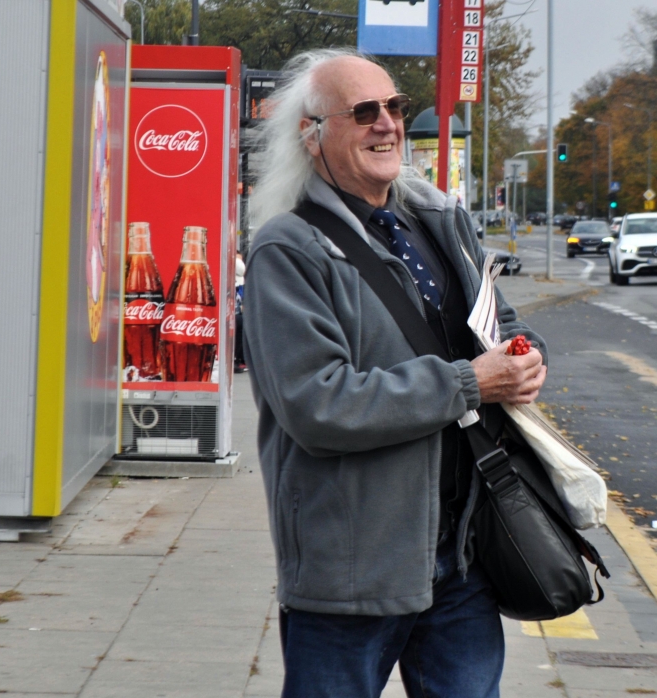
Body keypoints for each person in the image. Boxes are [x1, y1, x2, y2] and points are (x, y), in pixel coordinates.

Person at [242, 48, 548, 698]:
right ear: (312, 135)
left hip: (462, 557)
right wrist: (471, 383)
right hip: (353, 570)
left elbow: (501, 324)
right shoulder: (288, 248)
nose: (387, 123)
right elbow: (318, 404)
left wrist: (524, 357)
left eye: (394, 106)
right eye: (363, 112)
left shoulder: (439, 223)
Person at [234, 251, 247, 373]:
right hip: (232, 312)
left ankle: (237, 359)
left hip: (237, 311)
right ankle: (236, 359)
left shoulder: (239, 285)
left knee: (240, 326)